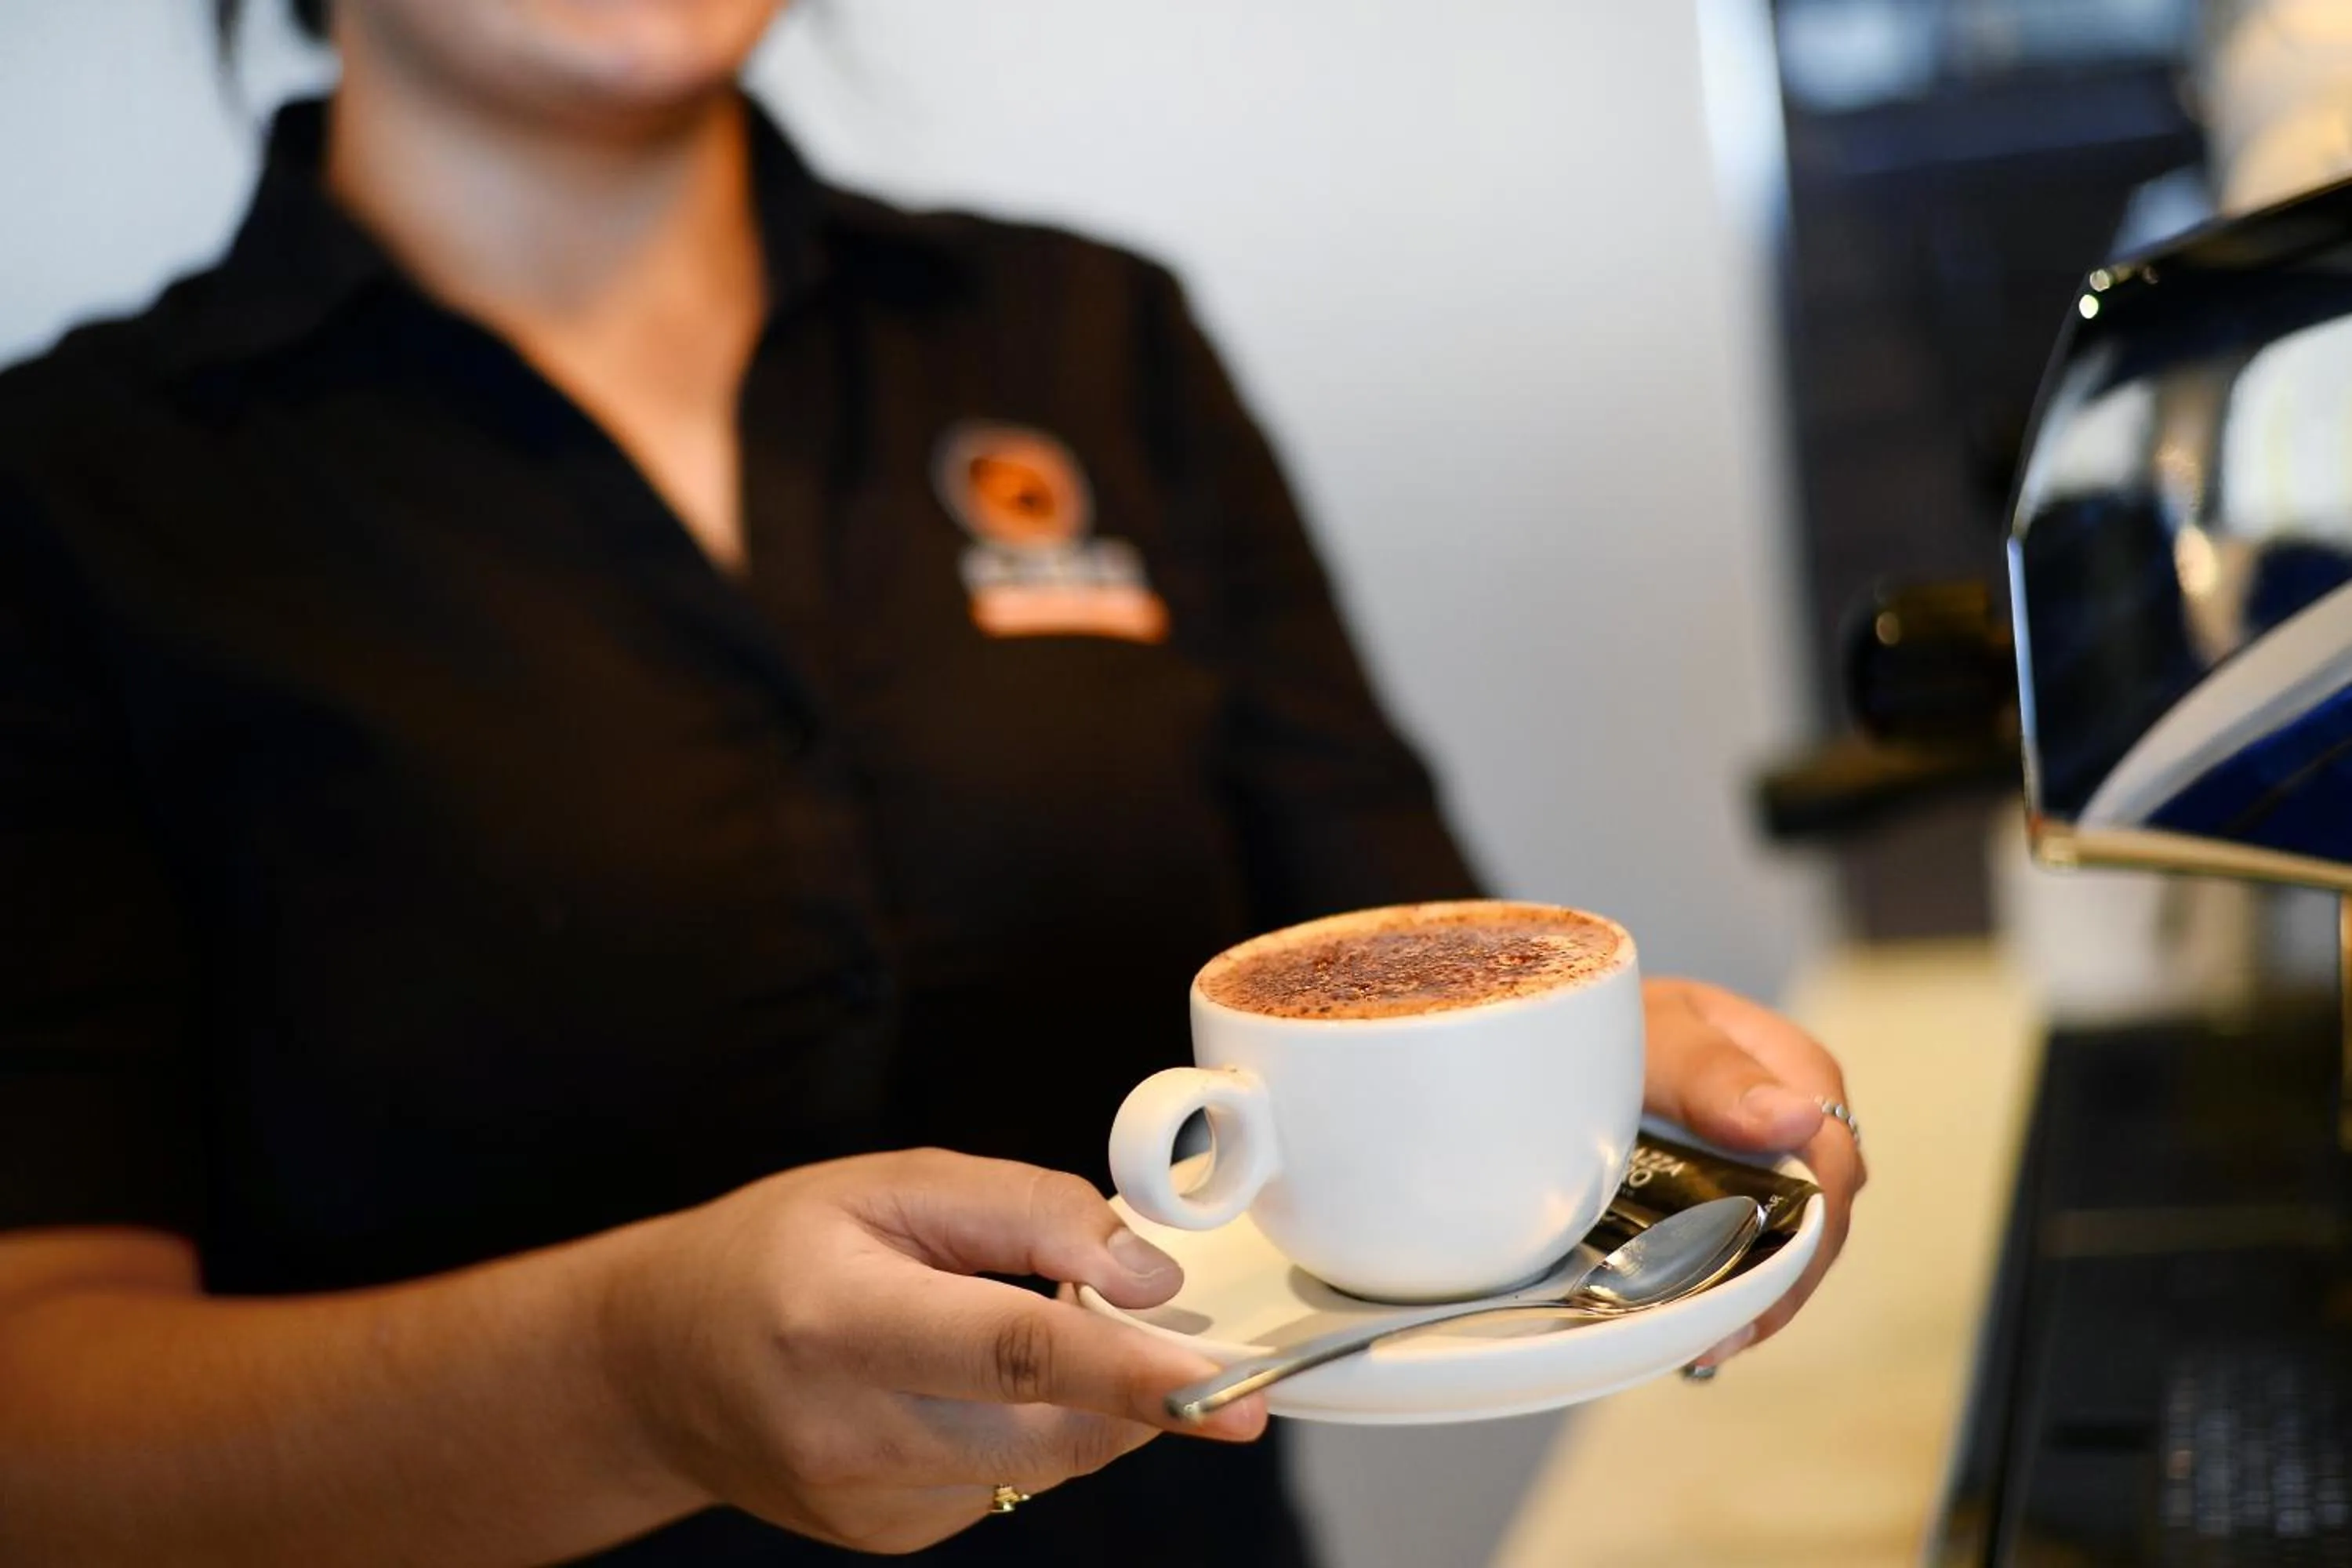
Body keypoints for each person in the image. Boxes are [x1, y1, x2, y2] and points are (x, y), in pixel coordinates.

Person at [0, 2, 1864, 1563]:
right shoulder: (74, 497)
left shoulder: (1086, 341)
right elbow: (39, 1423)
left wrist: (1594, 1105)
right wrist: (625, 1382)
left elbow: (1386, 942)